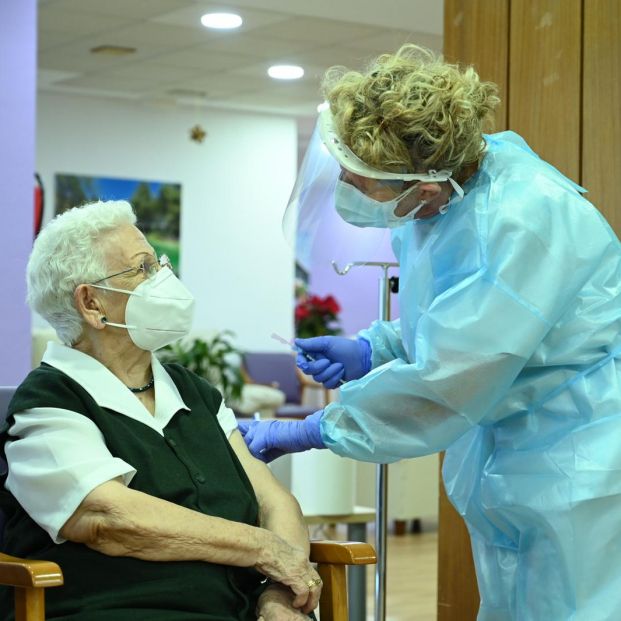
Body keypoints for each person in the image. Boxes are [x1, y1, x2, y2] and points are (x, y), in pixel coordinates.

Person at [239, 45, 621, 620]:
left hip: (578, 460)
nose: (345, 184)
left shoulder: (525, 219)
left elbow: (452, 374)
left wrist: (313, 429)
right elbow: (453, 319)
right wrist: (375, 346)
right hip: (516, 456)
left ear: (425, 185)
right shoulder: (440, 210)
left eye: (359, 178)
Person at [0, 200, 321, 621]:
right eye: (144, 268)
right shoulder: (49, 402)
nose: (165, 278)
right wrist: (262, 549)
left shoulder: (194, 392)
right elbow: (108, 517)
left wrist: (279, 592)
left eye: (160, 263)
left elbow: (273, 499)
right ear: (91, 303)